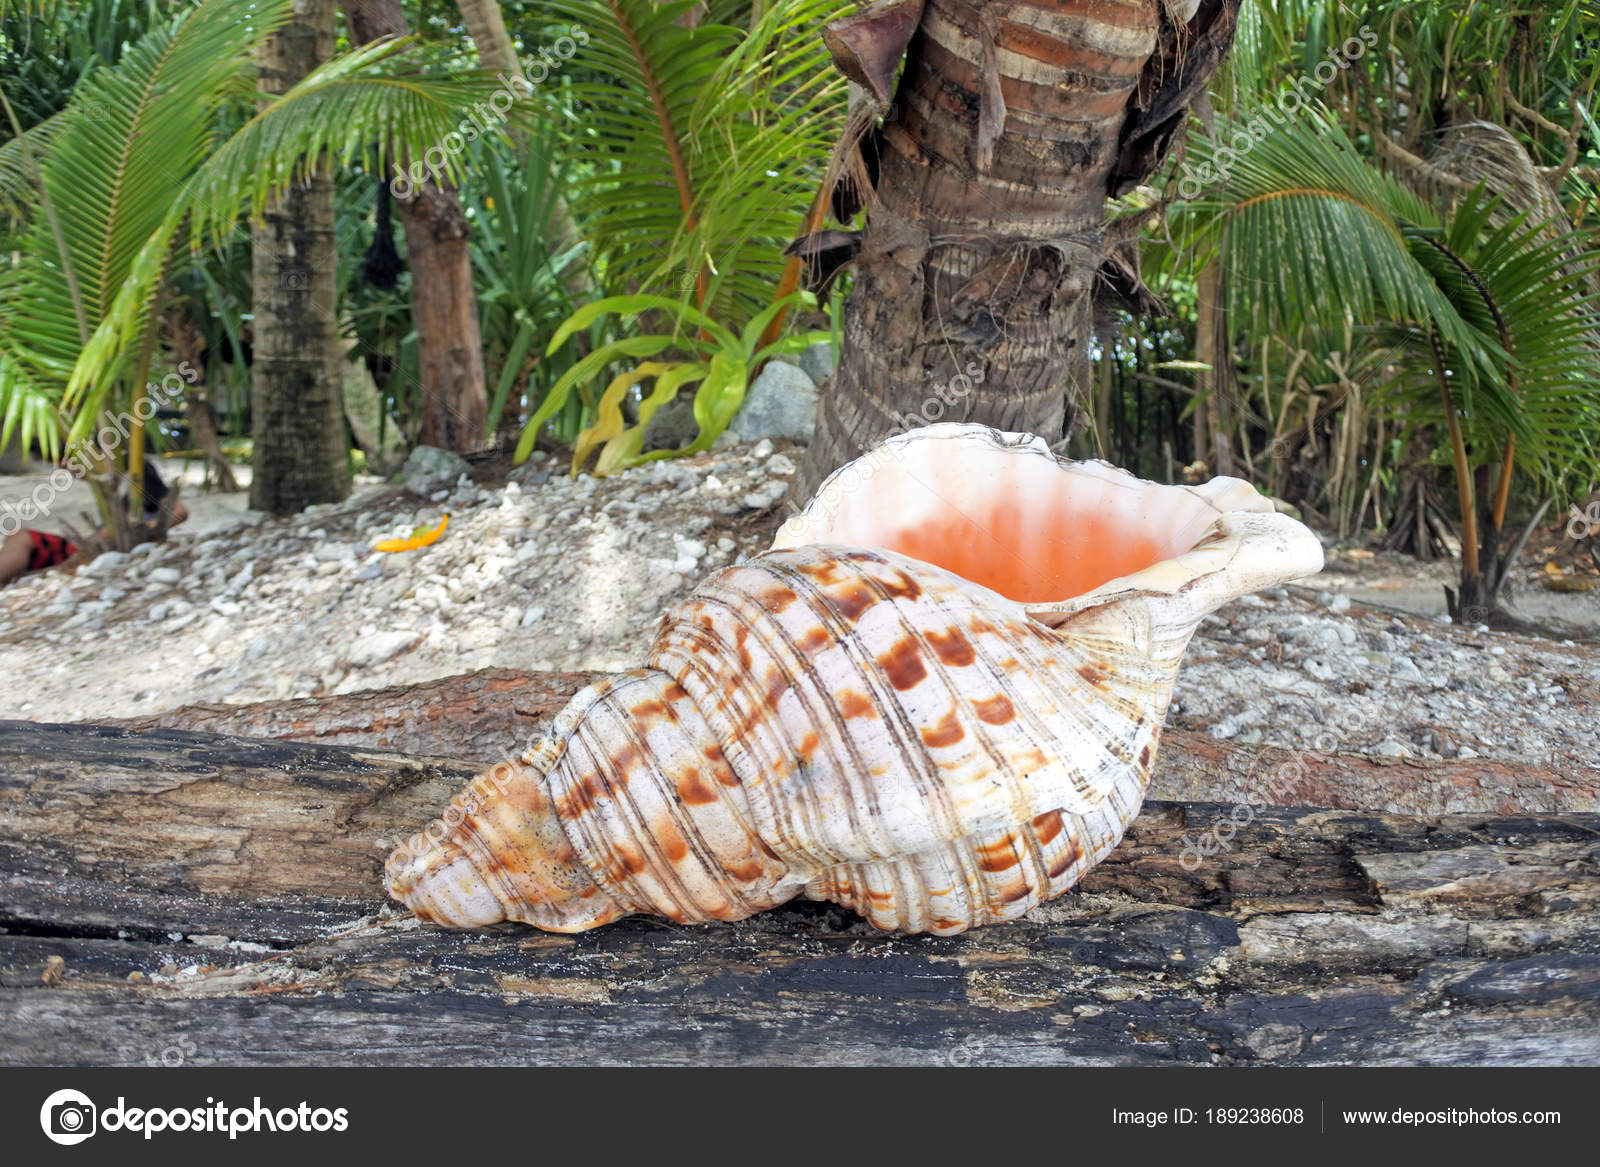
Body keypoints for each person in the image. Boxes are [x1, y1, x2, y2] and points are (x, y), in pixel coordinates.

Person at [0, 462, 189, 586]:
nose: (68, 471)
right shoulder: (107, 474)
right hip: (90, 545)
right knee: (18, 537)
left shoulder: (133, 467)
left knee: (23, 538)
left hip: (107, 548)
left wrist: (135, 531)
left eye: (67, 464)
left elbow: (179, 512)